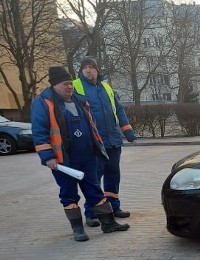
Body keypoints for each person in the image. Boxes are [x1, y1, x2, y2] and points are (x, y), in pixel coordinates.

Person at [31, 66, 130, 241]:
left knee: (95, 190)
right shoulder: (44, 102)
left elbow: (92, 127)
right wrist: (48, 157)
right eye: (65, 84)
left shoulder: (79, 101)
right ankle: (77, 229)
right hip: (63, 159)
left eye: (70, 83)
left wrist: (98, 148)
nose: (69, 87)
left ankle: (108, 224)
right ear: (54, 85)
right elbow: (39, 132)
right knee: (69, 194)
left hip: (87, 156)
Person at [73, 56, 137, 227]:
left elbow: (118, 109)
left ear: (97, 69)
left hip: (113, 139)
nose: (88, 70)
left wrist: (128, 131)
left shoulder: (106, 87)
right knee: (93, 178)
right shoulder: (76, 87)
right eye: (85, 67)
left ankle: (114, 207)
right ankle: (91, 212)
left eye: (91, 67)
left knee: (113, 175)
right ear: (81, 70)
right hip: (94, 141)